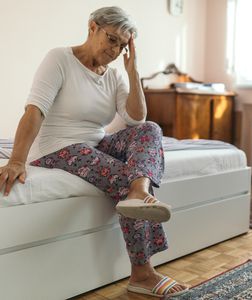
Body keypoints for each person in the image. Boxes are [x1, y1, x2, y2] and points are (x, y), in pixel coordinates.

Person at [0, 6, 188, 298]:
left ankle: (140, 190)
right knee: (126, 177)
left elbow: (135, 119)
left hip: (96, 143)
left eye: (122, 46)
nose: (115, 50)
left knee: (150, 129)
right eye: (111, 40)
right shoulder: (60, 58)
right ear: (93, 27)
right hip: (57, 147)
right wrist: (16, 160)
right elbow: (34, 111)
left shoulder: (113, 75)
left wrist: (133, 69)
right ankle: (142, 274)